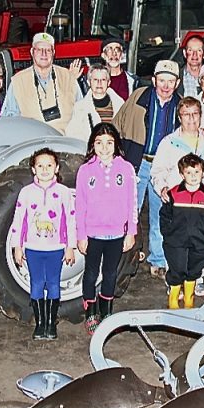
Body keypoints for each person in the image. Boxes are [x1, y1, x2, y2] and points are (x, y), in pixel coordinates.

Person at [111, 59, 182, 277]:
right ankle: (119, 257)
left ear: (177, 83)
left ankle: (158, 260)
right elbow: (117, 125)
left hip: (164, 168)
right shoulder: (138, 98)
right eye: (162, 80)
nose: (166, 85)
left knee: (159, 214)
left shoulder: (181, 106)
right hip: (138, 162)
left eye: (170, 81)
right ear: (154, 80)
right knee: (126, 211)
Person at [74, 123, 138, 334]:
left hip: (117, 233)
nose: (104, 148)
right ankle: (91, 311)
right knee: (91, 273)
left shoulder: (126, 168)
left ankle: (106, 310)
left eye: (109, 143)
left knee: (110, 274)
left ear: (116, 144)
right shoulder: (85, 170)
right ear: (93, 144)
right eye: (99, 143)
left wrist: (131, 231)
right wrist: (81, 235)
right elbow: (80, 205)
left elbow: (132, 202)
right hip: (93, 233)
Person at [11, 148, 77, 340]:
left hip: (56, 248)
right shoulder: (26, 193)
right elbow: (19, 220)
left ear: (56, 168)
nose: (45, 169)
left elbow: (71, 219)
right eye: (40, 165)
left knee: (54, 284)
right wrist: (17, 245)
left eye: (49, 165)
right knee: (37, 284)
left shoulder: (64, 192)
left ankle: (51, 322)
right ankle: (40, 324)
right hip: (33, 248)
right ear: (33, 169)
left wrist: (70, 246)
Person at [159, 153, 204, 309]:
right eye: (188, 172)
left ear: (202, 173)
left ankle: (189, 299)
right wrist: (168, 233)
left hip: (200, 242)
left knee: (193, 270)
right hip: (176, 241)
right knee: (177, 269)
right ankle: (173, 300)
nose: (193, 176)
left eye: (197, 172)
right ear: (181, 174)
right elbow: (164, 215)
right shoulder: (173, 194)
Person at [1, 32, 82, 133]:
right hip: (32, 143)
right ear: (32, 52)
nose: (44, 54)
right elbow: (9, 120)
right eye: (39, 49)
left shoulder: (68, 77)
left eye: (48, 50)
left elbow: (81, 114)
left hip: (64, 143)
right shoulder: (18, 81)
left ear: (53, 53)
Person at [152, 97, 204, 203]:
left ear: (200, 116)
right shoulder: (168, 143)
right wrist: (162, 188)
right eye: (186, 114)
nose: (191, 118)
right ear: (179, 118)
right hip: (178, 203)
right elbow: (158, 171)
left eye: (195, 113)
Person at [64, 64, 125, 142]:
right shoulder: (79, 107)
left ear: (109, 82)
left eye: (103, 80)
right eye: (95, 79)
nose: (99, 83)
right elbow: (72, 134)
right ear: (89, 82)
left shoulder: (120, 105)